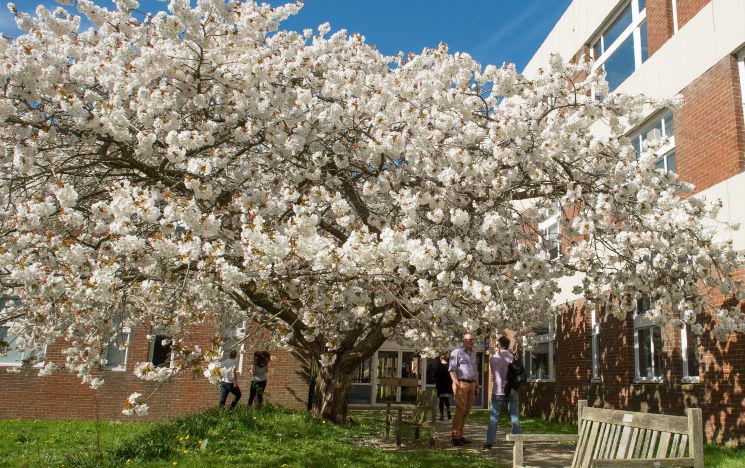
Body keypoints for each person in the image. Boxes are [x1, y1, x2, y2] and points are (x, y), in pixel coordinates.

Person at [483, 336, 522, 450]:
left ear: (499, 345)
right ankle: (518, 443)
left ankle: (489, 443)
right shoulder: (513, 357)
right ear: (508, 345)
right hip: (511, 391)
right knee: (514, 418)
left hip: (497, 391)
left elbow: (494, 373)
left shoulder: (492, 358)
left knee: (494, 418)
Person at [449, 332, 478, 446]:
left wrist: (477, 385)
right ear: (464, 341)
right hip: (462, 383)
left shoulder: (473, 354)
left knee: (466, 411)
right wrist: (457, 384)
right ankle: (454, 437)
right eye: (469, 340)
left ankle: (460, 435)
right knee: (460, 410)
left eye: (473, 340)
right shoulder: (457, 352)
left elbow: (475, 371)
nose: (472, 342)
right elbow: (452, 369)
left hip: (472, 384)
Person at [435, 352, 453, 420]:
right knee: (446, 400)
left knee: (441, 401)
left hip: (440, 385)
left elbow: (436, 375)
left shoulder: (438, 365)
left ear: (440, 358)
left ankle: (441, 415)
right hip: (447, 385)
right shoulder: (449, 365)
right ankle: (448, 413)